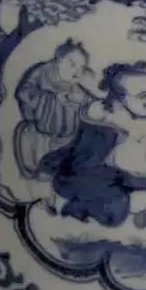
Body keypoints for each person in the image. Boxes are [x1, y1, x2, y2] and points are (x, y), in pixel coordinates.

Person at [38, 61, 146, 226]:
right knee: (121, 197)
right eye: (144, 96)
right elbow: (85, 164)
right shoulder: (105, 127)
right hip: (122, 183)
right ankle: (133, 204)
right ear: (119, 99)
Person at [13, 38, 98, 205]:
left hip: (68, 139)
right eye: (72, 64)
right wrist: (55, 98)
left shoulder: (78, 84)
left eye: (81, 68)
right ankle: (43, 203)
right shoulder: (42, 73)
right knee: (43, 175)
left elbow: (92, 106)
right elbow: (24, 94)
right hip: (41, 136)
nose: (77, 71)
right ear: (58, 59)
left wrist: (84, 101)